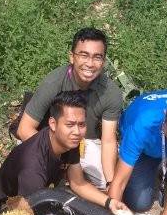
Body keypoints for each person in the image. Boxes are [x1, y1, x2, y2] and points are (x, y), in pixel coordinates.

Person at [11, 27, 123, 190]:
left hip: (84, 141)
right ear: (72, 57)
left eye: (97, 57)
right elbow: (24, 129)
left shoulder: (111, 92)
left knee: (101, 182)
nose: (90, 64)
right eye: (83, 55)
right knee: (34, 175)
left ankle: (73, 180)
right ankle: (63, 177)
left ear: (104, 61)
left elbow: (108, 141)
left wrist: (111, 183)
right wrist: (61, 158)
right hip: (50, 137)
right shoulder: (54, 83)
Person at [0, 91, 128, 213]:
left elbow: (77, 183)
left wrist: (109, 202)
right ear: (53, 124)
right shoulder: (33, 165)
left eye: (82, 124)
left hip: (42, 192)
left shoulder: (69, 142)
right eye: (70, 125)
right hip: (5, 207)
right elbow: (31, 212)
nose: (77, 132)